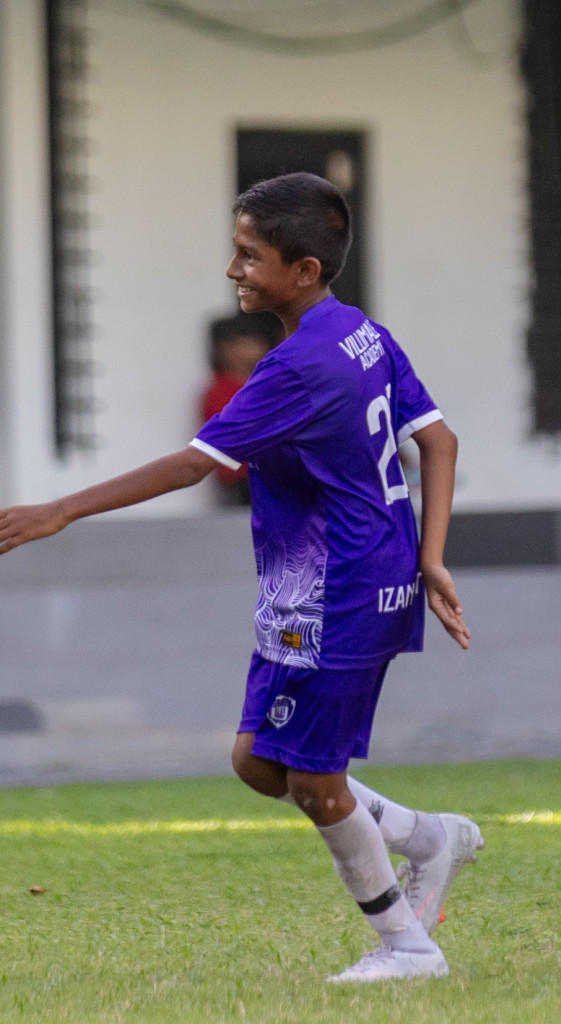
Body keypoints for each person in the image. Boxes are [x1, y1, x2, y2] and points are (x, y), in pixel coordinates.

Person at [0, 172, 483, 983]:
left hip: (345, 586)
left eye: (250, 255)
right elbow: (439, 442)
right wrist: (431, 554)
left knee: (315, 779)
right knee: (259, 761)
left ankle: (409, 946)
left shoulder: (297, 368)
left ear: (304, 270)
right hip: (313, 583)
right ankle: (432, 838)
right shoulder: (362, 331)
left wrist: (60, 511)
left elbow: (195, 465)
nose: (234, 270)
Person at [202, 311, 281, 506]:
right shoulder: (221, 391)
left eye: (258, 342)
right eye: (247, 343)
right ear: (226, 349)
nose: (257, 349)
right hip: (243, 481)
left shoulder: (261, 383)